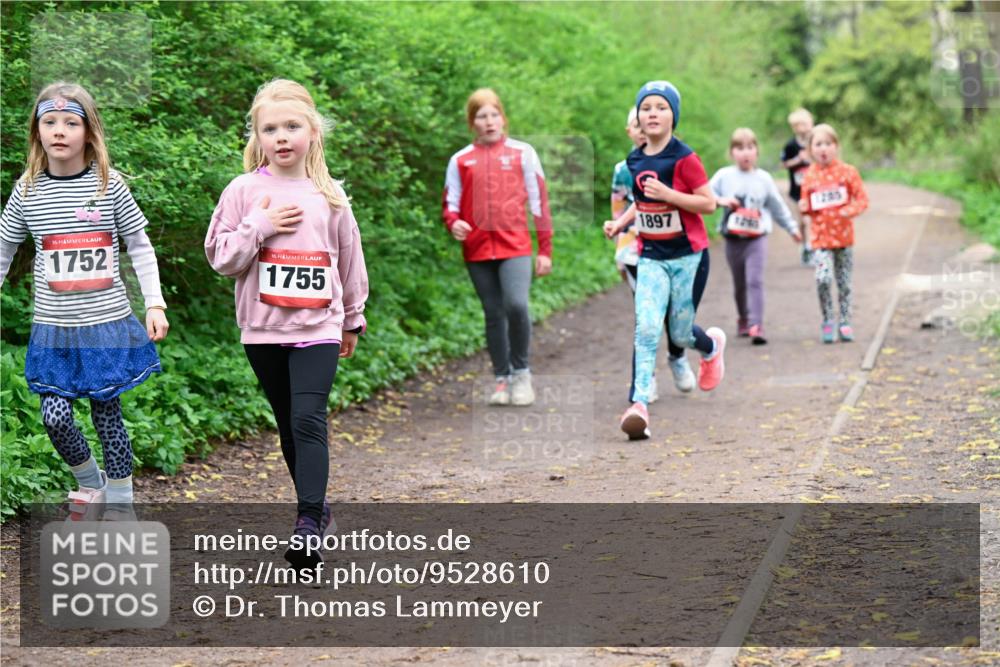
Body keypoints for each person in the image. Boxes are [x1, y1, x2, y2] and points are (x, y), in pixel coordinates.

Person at [205, 79, 368, 569]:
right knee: (288, 427)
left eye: (292, 126)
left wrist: (353, 318)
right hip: (264, 329)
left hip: (319, 327)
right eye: (270, 128)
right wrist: (262, 226)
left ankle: (306, 526)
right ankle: (320, 513)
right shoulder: (243, 191)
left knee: (307, 419)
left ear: (313, 133)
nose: (282, 137)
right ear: (257, 136)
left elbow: (348, 259)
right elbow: (221, 258)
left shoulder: (330, 194)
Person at [0, 82, 169, 520]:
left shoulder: (108, 186)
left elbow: (139, 245)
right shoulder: (28, 191)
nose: (59, 131)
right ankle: (90, 483)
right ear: (37, 132)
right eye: (49, 122)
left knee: (107, 415)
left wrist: (154, 303)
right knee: (54, 417)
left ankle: (122, 505)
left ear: (88, 132)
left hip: (105, 324)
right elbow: (3, 248)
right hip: (53, 328)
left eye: (70, 123)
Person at [603, 81, 726, 440]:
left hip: (689, 256)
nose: (652, 113)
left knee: (680, 332)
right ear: (638, 118)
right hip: (652, 255)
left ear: (673, 115)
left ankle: (711, 346)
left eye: (661, 107)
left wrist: (671, 194)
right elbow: (641, 203)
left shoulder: (685, 158)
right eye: (646, 108)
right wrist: (620, 223)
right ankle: (638, 405)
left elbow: (708, 203)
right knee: (646, 327)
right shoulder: (635, 159)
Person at [442, 88, 552, 407]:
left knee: (516, 305)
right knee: (492, 313)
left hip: (515, 245)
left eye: (494, 114)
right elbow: (450, 204)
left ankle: (522, 374)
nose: (489, 122)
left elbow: (539, 203)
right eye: (481, 116)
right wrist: (454, 223)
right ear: (472, 122)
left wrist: (544, 249)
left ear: (502, 118)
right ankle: (501, 379)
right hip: (477, 251)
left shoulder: (523, 153)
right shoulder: (460, 160)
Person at [611, 108, 698, 400]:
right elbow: (618, 207)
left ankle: (677, 357)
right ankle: (645, 379)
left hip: (673, 249)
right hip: (637, 252)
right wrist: (619, 247)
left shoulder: (674, 161)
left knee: (674, 312)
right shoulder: (623, 169)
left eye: (643, 123)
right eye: (634, 124)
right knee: (646, 313)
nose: (640, 128)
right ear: (630, 131)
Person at [710, 128, 802, 345]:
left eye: (750, 147)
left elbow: (777, 206)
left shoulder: (764, 179)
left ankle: (757, 325)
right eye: (739, 148)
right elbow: (704, 194)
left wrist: (792, 228)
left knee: (755, 280)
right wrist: (721, 201)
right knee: (739, 283)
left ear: (757, 152)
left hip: (757, 238)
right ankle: (743, 318)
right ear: (732, 152)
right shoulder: (724, 176)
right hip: (733, 239)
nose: (745, 153)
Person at [797, 123, 869, 343]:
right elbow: (808, 206)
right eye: (818, 144)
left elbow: (862, 200)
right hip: (820, 240)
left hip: (844, 239)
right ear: (811, 149)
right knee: (823, 278)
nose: (823, 149)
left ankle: (845, 321)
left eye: (828, 144)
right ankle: (828, 318)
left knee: (844, 283)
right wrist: (803, 207)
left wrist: (848, 210)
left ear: (836, 146)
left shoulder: (848, 172)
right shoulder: (809, 175)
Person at [781, 108, 814, 265]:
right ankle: (804, 247)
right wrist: (798, 159)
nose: (804, 128)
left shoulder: (816, 142)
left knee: (812, 221)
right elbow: (784, 164)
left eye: (806, 124)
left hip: (815, 190)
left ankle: (816, 248)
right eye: (799, 125)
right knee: (802, 222)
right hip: (797, 191)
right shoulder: (790, 145)